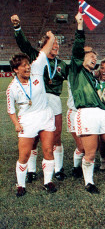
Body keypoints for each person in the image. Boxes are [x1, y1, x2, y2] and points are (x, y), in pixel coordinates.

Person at [11, 14, 68, 181]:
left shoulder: (63, 65)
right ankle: (31, 170)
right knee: (33, 138)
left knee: (56, 136)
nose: (56, 46)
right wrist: (17, 28)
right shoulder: (36, 57)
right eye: (54, 44)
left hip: (54, 100)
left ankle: (58, 168)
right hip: (36, 101)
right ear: (46, 45)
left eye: (58, 44)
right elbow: (23, 44)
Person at [69, 12, 105, 194]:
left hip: (102, 113)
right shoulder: (76, 71)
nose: (94, 58)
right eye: (90, 56)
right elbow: (77, 49)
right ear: (81, 59)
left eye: (95, 57)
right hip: (87, 113)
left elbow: (104, 99)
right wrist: (80, 26)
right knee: (90, 153)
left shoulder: (94, 78)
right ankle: (89, 182)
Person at [7, 31, 57, 197]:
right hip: (27, 121)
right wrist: (16, 123)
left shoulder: (36, 68)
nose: (28, 67)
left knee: (48, 150)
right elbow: (11, 110)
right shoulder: (12, 88)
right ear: (15, 69)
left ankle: (48, 181)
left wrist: (51, 38)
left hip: (45, 115)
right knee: (25, 154)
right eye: (23, 66)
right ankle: (20, 185)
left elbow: (44, 51)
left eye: (28, 64)